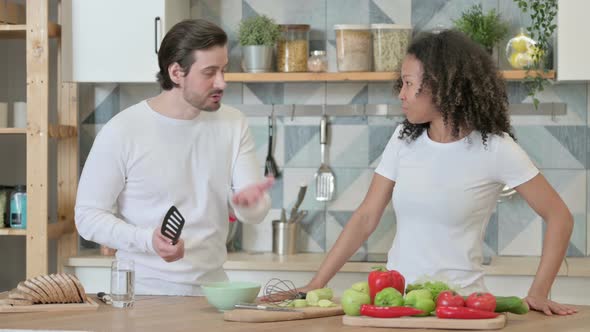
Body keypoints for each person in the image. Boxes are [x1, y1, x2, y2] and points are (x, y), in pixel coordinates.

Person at [300, 30, 577, 316]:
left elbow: (560, 216)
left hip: (459, 308)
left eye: (408, 84)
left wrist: (539, 292)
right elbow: (365, 217)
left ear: (441, 87)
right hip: (396, 305)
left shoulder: (496, 148)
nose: (401, 94)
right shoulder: (402, 140)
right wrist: (315, 284)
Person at [75, 19, 273, 296]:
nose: (222, 82)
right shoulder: (123, 130)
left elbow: (255, 212)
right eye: (210, 72)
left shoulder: (233, 123)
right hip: (141, 295)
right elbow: (87, 217)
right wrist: (147, 240)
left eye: (224, 70)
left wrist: (249, 203)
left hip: (214, 295)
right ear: (177, 72)